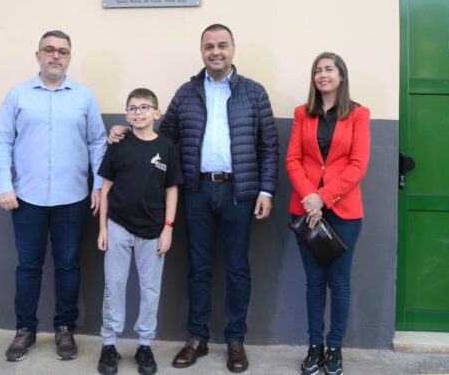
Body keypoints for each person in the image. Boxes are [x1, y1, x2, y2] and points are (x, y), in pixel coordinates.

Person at [109, 24, 279, 373]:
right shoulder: (187, 93)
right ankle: (198, 337)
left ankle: (235, 340)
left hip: (239, 192)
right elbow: (163, 135)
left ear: (233, 49)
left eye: (221, 45)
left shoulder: (254, 93)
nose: (215, 52)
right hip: (197, 191)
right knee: (198, 267)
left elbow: (269, 145)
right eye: (208, 47)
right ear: (201, 51)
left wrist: (266, 190)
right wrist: (128, 129)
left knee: (237, 267)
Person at [0, 30, 107, 362]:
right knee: (29, 266)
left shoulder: (84, 97)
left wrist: (98, 185)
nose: (56, 56)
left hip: (72, 198)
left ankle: (65, 329)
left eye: (63, 51)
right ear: (38, 55)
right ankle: (25, 330)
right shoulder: (17, 95)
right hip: (26, 198)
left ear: (70, 57)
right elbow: (2, 143)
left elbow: (97, 143)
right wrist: (4, 185)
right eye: (49, 50)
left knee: (68, 265)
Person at [285, 52, 370, 375]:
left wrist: (323, 198)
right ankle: (314, 347)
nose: (323, 75)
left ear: (341, 76)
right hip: (306, 211)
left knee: (340, 282)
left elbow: (358, 164)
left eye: (329, 69)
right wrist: (310, 200)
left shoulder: (359, 115)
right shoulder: (301, 114)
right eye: (318, 70)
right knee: (314, 283)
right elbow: (293, 159)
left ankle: (335, 347)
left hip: (344, 212)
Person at [96, 88, 183, 375]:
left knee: (150, 289)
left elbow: (171, 189)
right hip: (118, 226)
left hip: (154, 230)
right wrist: (103, 228)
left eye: (144, 107)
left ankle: (144, 344)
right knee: (115, 285)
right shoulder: (118, 143)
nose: (138, 112)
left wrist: (168, 228)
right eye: (132, 108)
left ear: (157, 113)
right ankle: (109, 344)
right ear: (126, 114)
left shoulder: (168, 147)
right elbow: (106, 187)